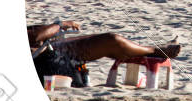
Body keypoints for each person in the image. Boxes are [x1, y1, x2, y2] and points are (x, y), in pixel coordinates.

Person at [27, 19, 181, 86]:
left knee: (110, 41)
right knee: (111, 41)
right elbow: (36, 36)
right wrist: (60, 25)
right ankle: (156, 51)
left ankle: (156, 50)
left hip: (49, 54)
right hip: (45, 61)